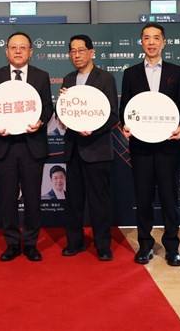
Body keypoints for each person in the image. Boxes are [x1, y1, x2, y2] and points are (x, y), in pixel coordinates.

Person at [119, 23, 180, 266]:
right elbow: (125, 109)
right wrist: (125, 125)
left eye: (156, 38)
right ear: (141, 42)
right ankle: (145, 245)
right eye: (146, 38)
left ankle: (172, 246)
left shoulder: (177, 71)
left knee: (170, 198)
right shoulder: (130, 73)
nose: (151, 42)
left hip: (169, 147)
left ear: (164, 42)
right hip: (141, 147)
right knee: (144, 197)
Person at [0, 32, 53, 262]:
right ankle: (12, 243)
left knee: (33, 198)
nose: (17, 51)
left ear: (31, 51)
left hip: (31, 145)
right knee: (7, 198)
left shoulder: (41, 76)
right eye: (13, 47)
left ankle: (31, 243)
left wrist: (41, 121)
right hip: (5, 145)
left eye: (22, 47)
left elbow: (47, 109)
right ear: (6, 51)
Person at [59, 34, 119, 261]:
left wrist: (93, 128)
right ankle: (74, 243)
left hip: (97, 147)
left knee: (99, 201)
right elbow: (62, 114)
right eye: (72, 51)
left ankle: (103, 246)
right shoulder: (67, 79)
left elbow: (113, 114)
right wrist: (63, 109)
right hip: (74, 148)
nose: (76, 55)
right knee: (73, 200)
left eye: (81, 50)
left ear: (91, 52)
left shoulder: (105, 78)